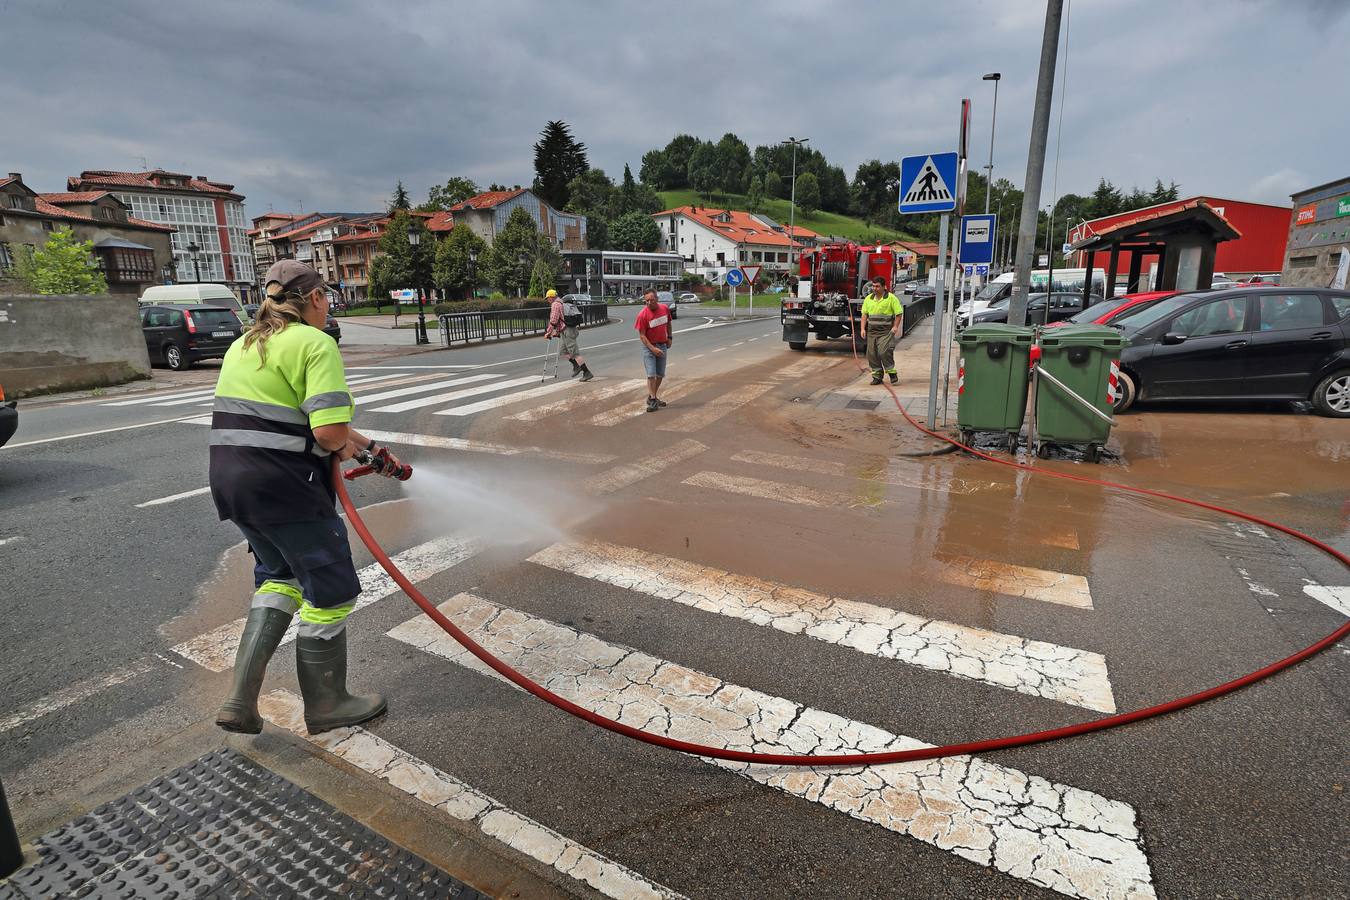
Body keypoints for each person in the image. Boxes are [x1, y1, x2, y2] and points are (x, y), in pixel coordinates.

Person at [211, 260, 405, 736]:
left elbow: (302, 420)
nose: (329, 307)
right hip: (287, 486)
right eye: (328, 299)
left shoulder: (246, 343)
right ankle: (327, 703)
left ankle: (240, 700)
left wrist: (368, 450)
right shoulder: (316, 344)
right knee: (331, 591)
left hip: (236, 484)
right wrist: (340, 443)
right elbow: (326, 430)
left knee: (279, 577)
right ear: (316, 298)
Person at [635, 288, 673, 412]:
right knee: (651, 374)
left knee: (660, 374)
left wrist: (670, 337)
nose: (649, 302)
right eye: (646, 301)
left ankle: (653, 397)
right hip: (649, 347)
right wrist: (653, 349)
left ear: (657, 299)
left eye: (651, 300)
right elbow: (642, 335)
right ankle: (652, 400)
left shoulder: (664, 309)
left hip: (662, 345)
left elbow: (668, 323)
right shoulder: (642, 315)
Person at [860, 277, 904, 385]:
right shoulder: (868, 299)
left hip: (886, 332)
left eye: (877, 286)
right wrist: (862, 328)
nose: (874, 288)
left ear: (884, 287)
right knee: (872, 353)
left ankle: (892, 372)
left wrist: (895, 327)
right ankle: (877, 376)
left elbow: (898, 313)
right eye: (873, 286)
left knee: (884, 351)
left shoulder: (891, 298)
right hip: (872, 332)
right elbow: (864, 315)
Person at [544, 288, 592, 381]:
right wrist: (557, 332)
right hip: (564, 330)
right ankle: (576, 366)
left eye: (548, 298)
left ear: (551, 297)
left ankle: (587, 372)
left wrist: (548, 332)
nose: (547, 300)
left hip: (568, 331)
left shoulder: (555, 304)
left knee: (575, 353)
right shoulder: (562, 302)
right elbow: (561, 320)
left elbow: (553, 320)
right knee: (563, 351)